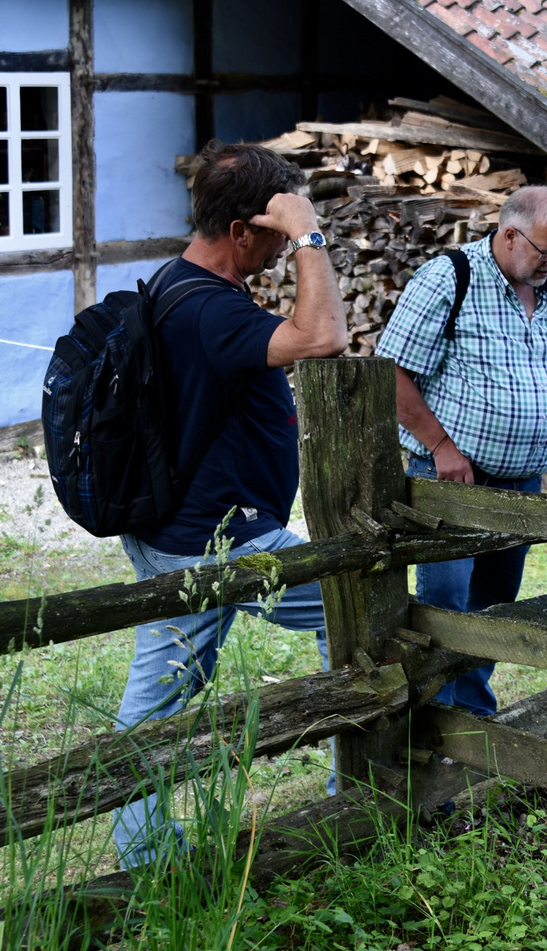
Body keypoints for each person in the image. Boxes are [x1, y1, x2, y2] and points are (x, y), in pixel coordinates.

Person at [110, 140, 348, 867]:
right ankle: (361, 787)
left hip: (189, 527)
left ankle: (145, 846)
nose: (283, 252)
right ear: (241, 231)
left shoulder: (178, 286)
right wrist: (310, 231)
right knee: (353, 602)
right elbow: (323, 336)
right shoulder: (207, 309)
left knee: (159, 697)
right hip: (215, 539)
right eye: (274, 237)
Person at [377, 185, 547, 716]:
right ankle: (431, 724)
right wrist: (441, 445)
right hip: (453, 479)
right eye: (546, 251)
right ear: (509, 234)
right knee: (445, 604)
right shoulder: (450, 279)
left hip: (522, 482)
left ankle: (472, 725)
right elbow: (391, 372)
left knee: (494, 607)